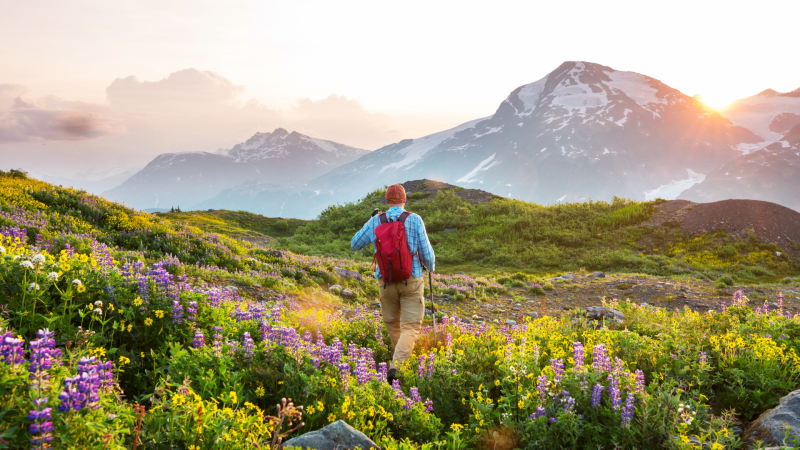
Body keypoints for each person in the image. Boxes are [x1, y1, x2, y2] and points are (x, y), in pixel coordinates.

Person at [351, 184, 435, 382]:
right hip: (411, 280)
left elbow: (355, 244)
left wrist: (372, 222)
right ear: (404, 200)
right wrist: (430, 267)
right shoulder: (414, 219)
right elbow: (427, 254)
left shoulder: (376, 220)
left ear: (387, 201)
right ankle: (397, 368)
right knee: (410, 326)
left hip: (385, 282)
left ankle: (399, 365)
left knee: (392, 324)